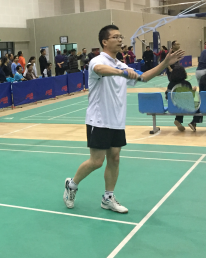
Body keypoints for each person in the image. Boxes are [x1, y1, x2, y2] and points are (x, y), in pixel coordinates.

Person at [63, 24, 185, 214]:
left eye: (121, 37)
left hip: (117, 121)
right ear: (105, 41)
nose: (120, 40)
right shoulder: (98, 60)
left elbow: (144, 77)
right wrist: (121, 72)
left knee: (115, 158)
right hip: (98, 120)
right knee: (96, 161)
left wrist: (164, 63)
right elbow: (101, 69)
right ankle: (71, 185)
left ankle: (108, 198)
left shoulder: (121, 64)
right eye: (116, 37)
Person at [166, 66, 202, 132]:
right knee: (199, 105)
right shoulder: (187, 84)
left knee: (179, 102)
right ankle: (194, 122)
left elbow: (167, 96)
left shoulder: (170, 84)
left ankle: (178, 119)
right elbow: (191, 97)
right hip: (186, 106)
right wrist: (193, 91)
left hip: (173, 107)